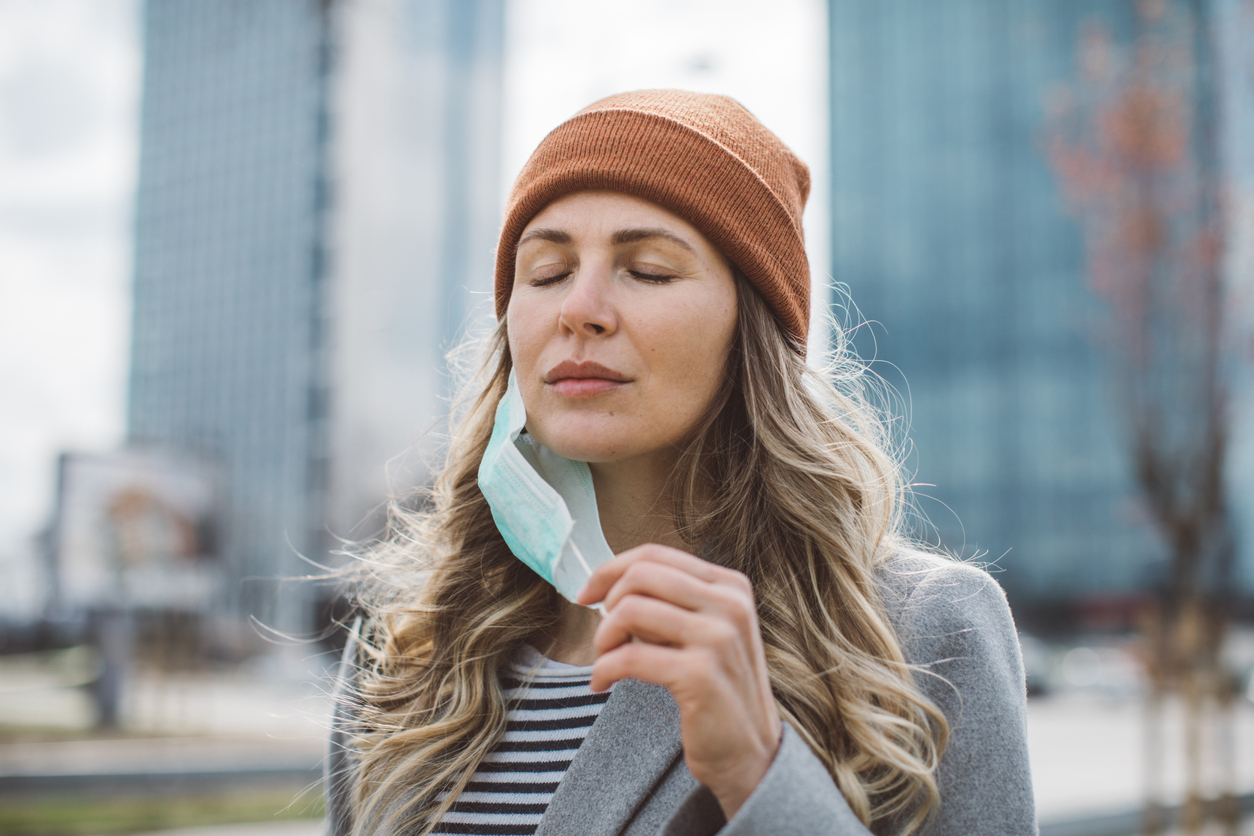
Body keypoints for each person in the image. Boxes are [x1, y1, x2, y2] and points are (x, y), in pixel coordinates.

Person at [325, 89, 1036, 836]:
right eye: (545, 273)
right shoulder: (403, 650)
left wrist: (758, 772)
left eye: (650, 271)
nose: (581, 307)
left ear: (750, 331)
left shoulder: (923, 631)